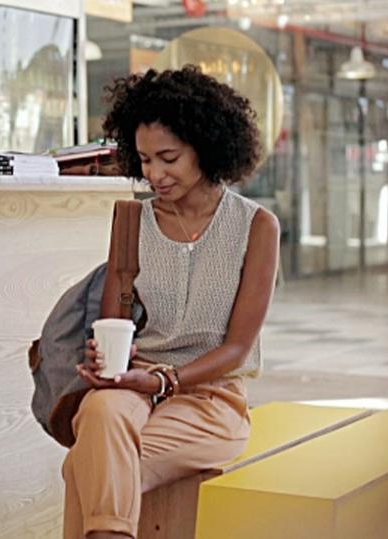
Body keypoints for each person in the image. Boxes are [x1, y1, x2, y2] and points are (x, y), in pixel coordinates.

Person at [61, 65, 280, 539]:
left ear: (205, 146)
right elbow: (113, 323)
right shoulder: (131, 221)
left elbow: (238, 349)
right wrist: (107, 362)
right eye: (143, 160)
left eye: (168, 158)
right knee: (101, 412)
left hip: (210, 399)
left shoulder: (256, 227)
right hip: (132, 387)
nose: (154, 175)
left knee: (87, 466)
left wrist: (164, 379)